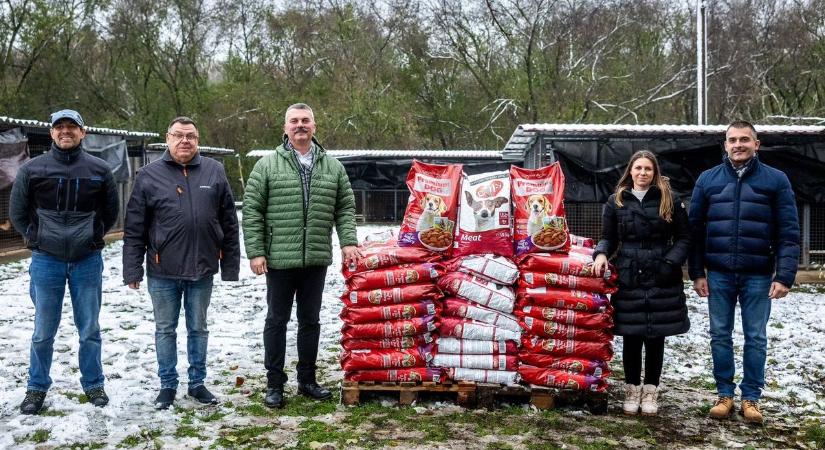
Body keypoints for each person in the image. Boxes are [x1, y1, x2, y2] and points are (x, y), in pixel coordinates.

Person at [242, 103, 359, 408]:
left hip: (316, 258)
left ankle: (307, 380)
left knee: (311, 321)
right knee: (276, 320)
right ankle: (274, 383)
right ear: (285, 128)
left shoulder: (333, 167)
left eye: (305, 120)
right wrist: (256, 251)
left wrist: (348, 241)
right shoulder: (266, 166)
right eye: (294, 121)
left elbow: (345, 207)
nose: (300, 125)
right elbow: (252, 211)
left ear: (314, 126)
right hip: (279, 259)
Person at [122, 116, 240, 410]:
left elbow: (228, 221)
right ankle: (167, 385)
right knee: (165, 329)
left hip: (202, 268)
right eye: (179, 135)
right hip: (162, 270)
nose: (185, 140)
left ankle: (197, 383)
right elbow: (135, 226)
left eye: (191, 136)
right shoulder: (148, 175)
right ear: (168, 138)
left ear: (198, 140)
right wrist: (132, 268)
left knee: (198, 328)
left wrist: (231, 266)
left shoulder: (214, 170)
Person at [9, 109, 119, 414]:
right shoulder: (32, 169)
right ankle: (36, 387)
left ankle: (94, 383)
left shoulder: (100, 169)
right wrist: (36, 238)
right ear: (52, 133)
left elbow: (110, 212)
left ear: (83, 133)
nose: (66, 131)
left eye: (72, 127)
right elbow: (17, 213)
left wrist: (94, 236)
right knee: (43, 330)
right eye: (60, 127)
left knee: (89, 328)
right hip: (46, 261)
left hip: (87, 260)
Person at [689, 120, 799, 424]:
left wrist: (784, 275)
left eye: (744, 139)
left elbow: (789, 231)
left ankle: (751, 398)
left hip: (759, 275)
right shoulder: (707, 180)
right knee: (719, 336)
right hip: (719, 275)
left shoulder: (776, 180)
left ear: (756, 144)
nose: (738, 145)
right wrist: (697, 272)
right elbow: (694, 231)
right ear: (725, 145)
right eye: (733, 140)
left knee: (756, 338)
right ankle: (724, 394)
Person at [593, 150, 690, 416]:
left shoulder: (669, 199)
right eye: (638, 168)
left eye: (648, 169)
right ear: (630, 171)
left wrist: (669, 263)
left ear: (655, 172)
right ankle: (632, 389)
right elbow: (609, 237)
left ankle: (650, 391)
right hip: (629, 274)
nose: (643, 173)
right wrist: (601, 254)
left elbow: (684, 238)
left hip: (662, 274)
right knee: (632, 336)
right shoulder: (617, 201)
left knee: (656, 335)